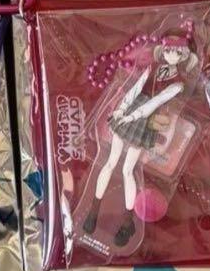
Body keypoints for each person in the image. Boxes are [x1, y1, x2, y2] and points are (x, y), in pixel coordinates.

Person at [81, 27, 199, 247]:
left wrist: (131, 116)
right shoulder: (152, 68)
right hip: (132, 110)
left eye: (177, 53)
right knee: (109, 163)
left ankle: (127, 222)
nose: (171, 55)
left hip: (146, 118)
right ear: (162, 51)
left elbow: (156, 101)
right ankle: (93, 211)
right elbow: (135, 88)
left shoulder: (178, 83)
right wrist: (121, 109)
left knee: (128, 170)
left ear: (184, 56)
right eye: (168, 50)